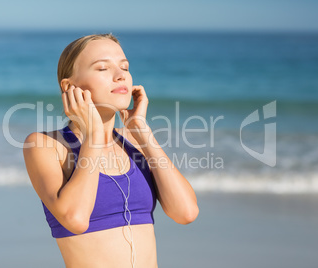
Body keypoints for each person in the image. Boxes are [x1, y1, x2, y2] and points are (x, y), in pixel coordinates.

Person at [23, 33, 199, 268]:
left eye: (124, 67)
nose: (120, 76)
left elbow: (185, 212)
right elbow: (74, 219)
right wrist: (94, 136)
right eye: (103, 68)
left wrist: (143, 132)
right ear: (69, 86)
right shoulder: (46, 145)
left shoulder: (135, 143)